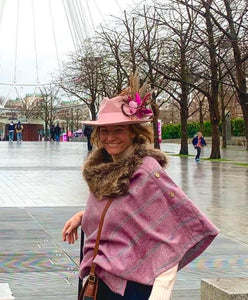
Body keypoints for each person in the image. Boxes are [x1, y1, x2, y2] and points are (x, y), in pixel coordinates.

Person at [62, 78, 219, 300]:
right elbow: (120, 211)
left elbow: (175, 228)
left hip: (131, 288)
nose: (110, 137)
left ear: (133, 132)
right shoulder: (102, 170)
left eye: (118, 130)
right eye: (105, 131)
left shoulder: (146, 171)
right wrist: (83, 215)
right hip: (101, 282)